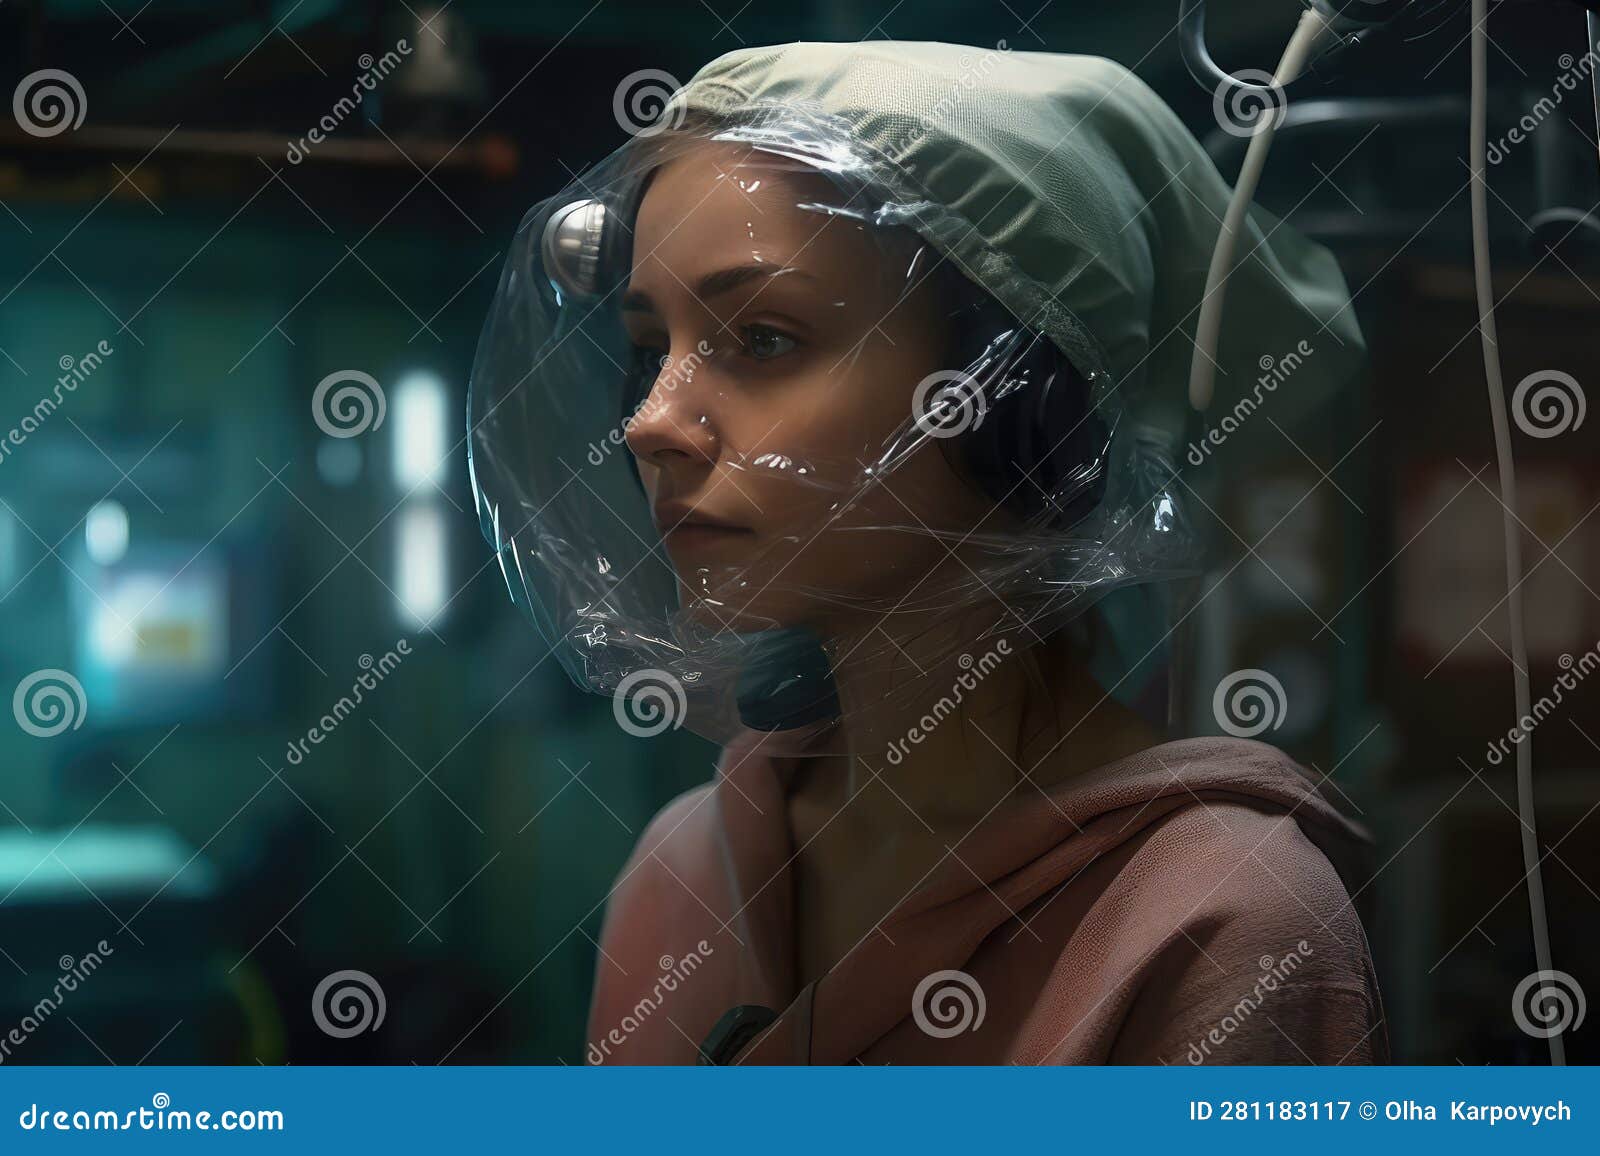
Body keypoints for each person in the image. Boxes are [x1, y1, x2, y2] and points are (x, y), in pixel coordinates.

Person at [468, 41, 1387, 1064]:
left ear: (1018, 401)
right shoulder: (680, 872)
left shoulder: (1216, 917)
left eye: (762, 338)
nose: (650, 421)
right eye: (652, 349)